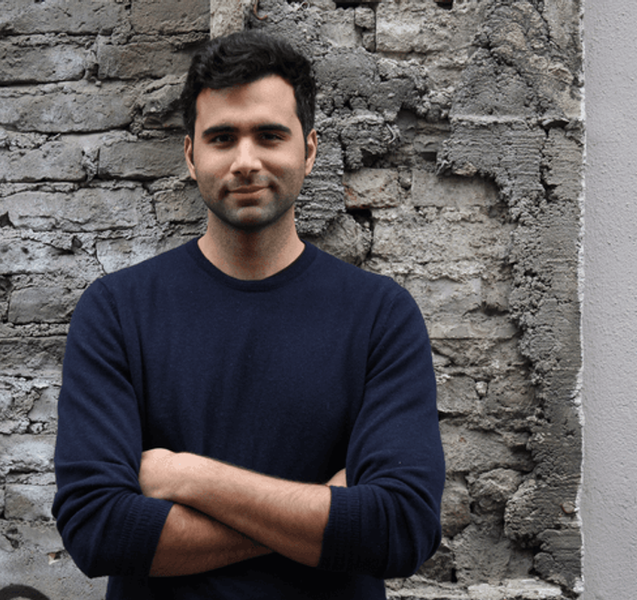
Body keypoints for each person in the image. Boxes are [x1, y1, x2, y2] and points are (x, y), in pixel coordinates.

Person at [52, 30, 445, 599]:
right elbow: (98, 532)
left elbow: (400, 529)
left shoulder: (380, 315)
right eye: (221, 138)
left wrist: (192, 477)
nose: (245, 161)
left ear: (309, 150)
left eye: (269, 135)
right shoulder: (117, 310)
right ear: (191, 156)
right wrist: (326, 506)